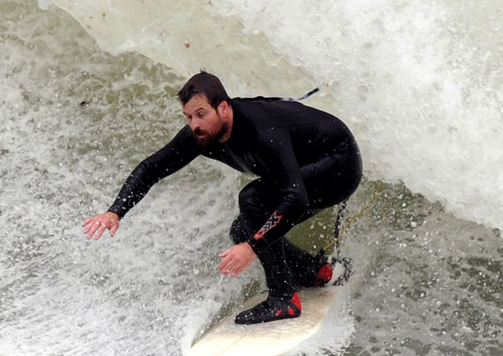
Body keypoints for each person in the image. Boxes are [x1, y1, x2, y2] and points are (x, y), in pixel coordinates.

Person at [83, 72, 362, 324]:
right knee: (242, 229)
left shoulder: (262, 133)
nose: (195, 124)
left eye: (201, 114)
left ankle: (284, 298)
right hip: (306, 169)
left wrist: (251, 248)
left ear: (224, 108)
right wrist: (116, 211)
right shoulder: (203, 134)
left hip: (338, 163)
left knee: (252, 199)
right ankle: (317, 272)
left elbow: (296, 198)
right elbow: (152, 167)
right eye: (189, 117)